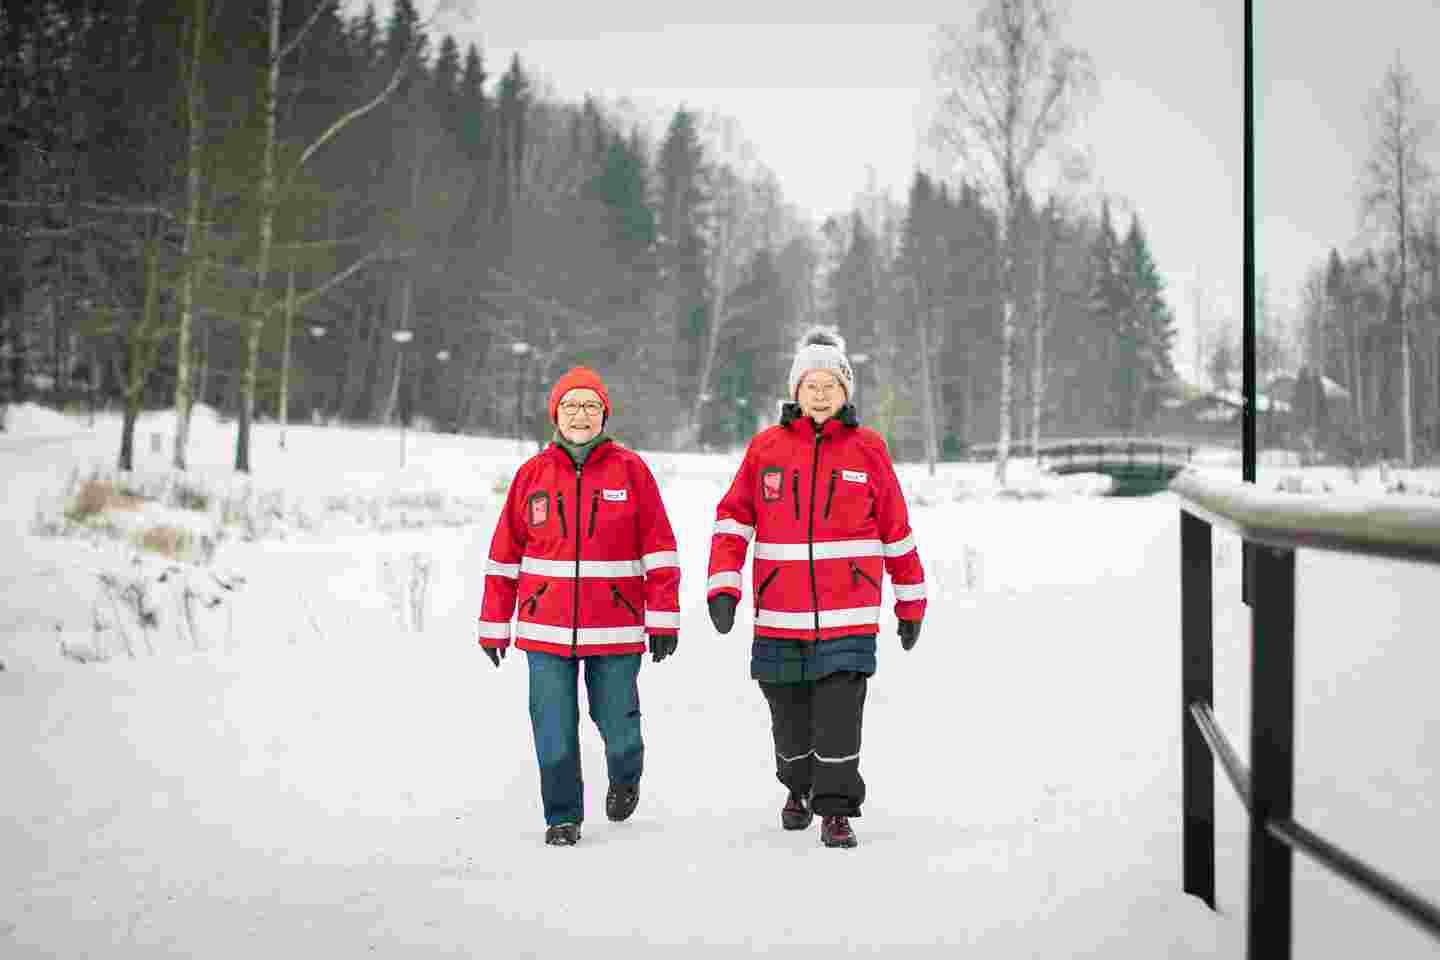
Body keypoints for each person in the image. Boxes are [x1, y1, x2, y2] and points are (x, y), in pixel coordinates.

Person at [706, 328, 926, 848]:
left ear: (846, 391)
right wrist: (723, 587)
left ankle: (836, 810)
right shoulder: (766, 448)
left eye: (831, 383)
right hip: (780, 616)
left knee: (839, 718)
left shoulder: (869, 449)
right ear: (795, 391)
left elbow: (896, 528)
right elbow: (733, 520)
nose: (821, 393)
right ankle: (797, 787)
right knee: (789, 720)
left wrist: (910, 601)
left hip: (849, 615)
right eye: (811, 384)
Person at [477, 365, 681, 846]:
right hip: (545, 629)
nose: (581, 415)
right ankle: (562, 817)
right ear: (556, 414)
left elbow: (660, 549)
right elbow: (506, 554)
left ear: (604, 415)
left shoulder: (632, 472)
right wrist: (493, 624)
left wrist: (664, 618)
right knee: (553, 725)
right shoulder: (532, 475)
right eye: (571, 406)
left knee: (618, 722)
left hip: (615, 627)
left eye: (591, 406)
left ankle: (626, 771)